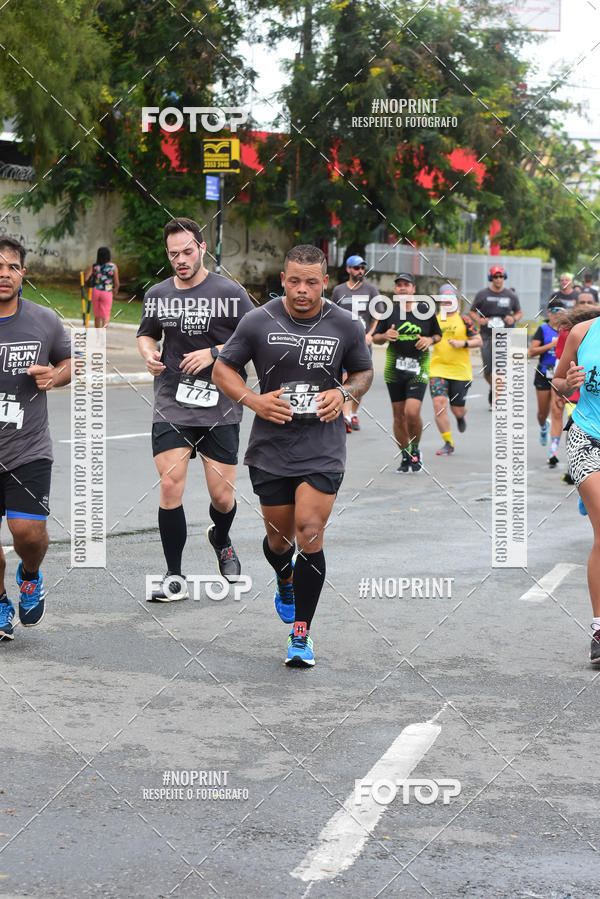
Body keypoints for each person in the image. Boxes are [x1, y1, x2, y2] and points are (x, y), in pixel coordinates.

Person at [212, 244, 373, 667]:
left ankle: (300, 634)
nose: (303, 290)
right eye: (295, 281)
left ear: (325, 282)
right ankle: (284, 575)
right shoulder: (257, 321)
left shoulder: (344, 324)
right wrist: (254, 400)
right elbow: (222, 369)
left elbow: (363, 373)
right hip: (271, 448)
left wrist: (343, 392)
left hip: (322, 447)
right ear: (284, 279)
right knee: (279, 541)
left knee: (310, 530)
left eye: (312, 282)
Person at [136, 218, 254, 602]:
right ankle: (174, 577)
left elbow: (252, 339)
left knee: (222, 497)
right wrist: (148, 354)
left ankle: (220, 536)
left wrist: (216, 352)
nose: (181, 260)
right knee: (170, 485)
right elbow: (146, 332)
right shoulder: (158, 294)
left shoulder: (231, 292)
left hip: (220, 404)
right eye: (173, 254)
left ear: (202, 248)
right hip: (172, 400)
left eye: (187, 251)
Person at [0, 238, 72, 642]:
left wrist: (54, 376)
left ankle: (29, 575)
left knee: (26, 532)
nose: (3, 273)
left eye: (11, 266)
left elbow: (67, 363)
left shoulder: (44, 320)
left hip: (27, 448)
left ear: (23, 273)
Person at [553, 315, 600, 663]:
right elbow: (557, 383)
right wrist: (566, 382)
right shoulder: (584, 333)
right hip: (587, 436)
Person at [372, 273, 442, 473]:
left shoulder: (425, 311)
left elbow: (438, 334)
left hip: (419, 367)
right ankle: (405, 456)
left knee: (412, 412)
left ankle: (416, 450)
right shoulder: (389, 313)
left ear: (413, 289)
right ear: (396, 290)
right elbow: (376, 337)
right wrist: (384, 335)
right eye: (399, 285)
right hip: (394, 368)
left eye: (406, 285)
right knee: (398, 417)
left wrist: (429, 340)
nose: (402, 288)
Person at [429, 283, 481, 456]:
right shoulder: (434, 319)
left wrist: (463, 343)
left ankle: (460, 416)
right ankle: (448, 442)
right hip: (438, 369)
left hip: (460, 371)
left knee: (456, 408)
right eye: (444, 298)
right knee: (439, 404)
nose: (447, 301)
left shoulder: (464, 320)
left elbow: (478, 340)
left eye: (450, 298)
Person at [330, 254, 378, 432]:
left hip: (363, 342)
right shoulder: (339, 291)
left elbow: (377, 315)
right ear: (348, 269)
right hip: (343, 342)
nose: (360, 271)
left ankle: (353, 414)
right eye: (357, 268)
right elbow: (332, 315)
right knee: (344, 378)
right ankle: (345, 416)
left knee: (360, 378)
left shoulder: (371, 290)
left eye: (362, 268)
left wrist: (370, 334)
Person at [469, 265, 522, 409]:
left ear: (504, 277)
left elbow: (518, 312)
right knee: (487, 370)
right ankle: (495, 388)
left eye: (500, 276)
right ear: (491, 278)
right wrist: (479, 320)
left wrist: (514, 319)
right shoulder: (482, 294)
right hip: (486, 335)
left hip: (503, 335)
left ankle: (497, 399)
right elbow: (472, 312)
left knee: (500, 368)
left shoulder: (510, 295)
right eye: (495, 277)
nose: (498, 279)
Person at [528, 301, 565, 466]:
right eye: (554, 311)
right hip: (544, 372)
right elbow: (532, 352)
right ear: (549, 313)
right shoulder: (543, 329)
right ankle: (543, 427)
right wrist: (551, 345)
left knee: (557, 411)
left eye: (561, 311)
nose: (558, 314)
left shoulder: (567, 330)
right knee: (542, 413)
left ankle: (553, 451)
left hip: (560, 373)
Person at [85, 246, 120, 329]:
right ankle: (102, 335)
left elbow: (86, 278)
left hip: (96, 291)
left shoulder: (94, 266)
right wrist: (115, 290)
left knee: (97, 315)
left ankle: (97, 336)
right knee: (106, 315)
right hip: (107, 292)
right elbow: (117, 282)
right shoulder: (113, 266)